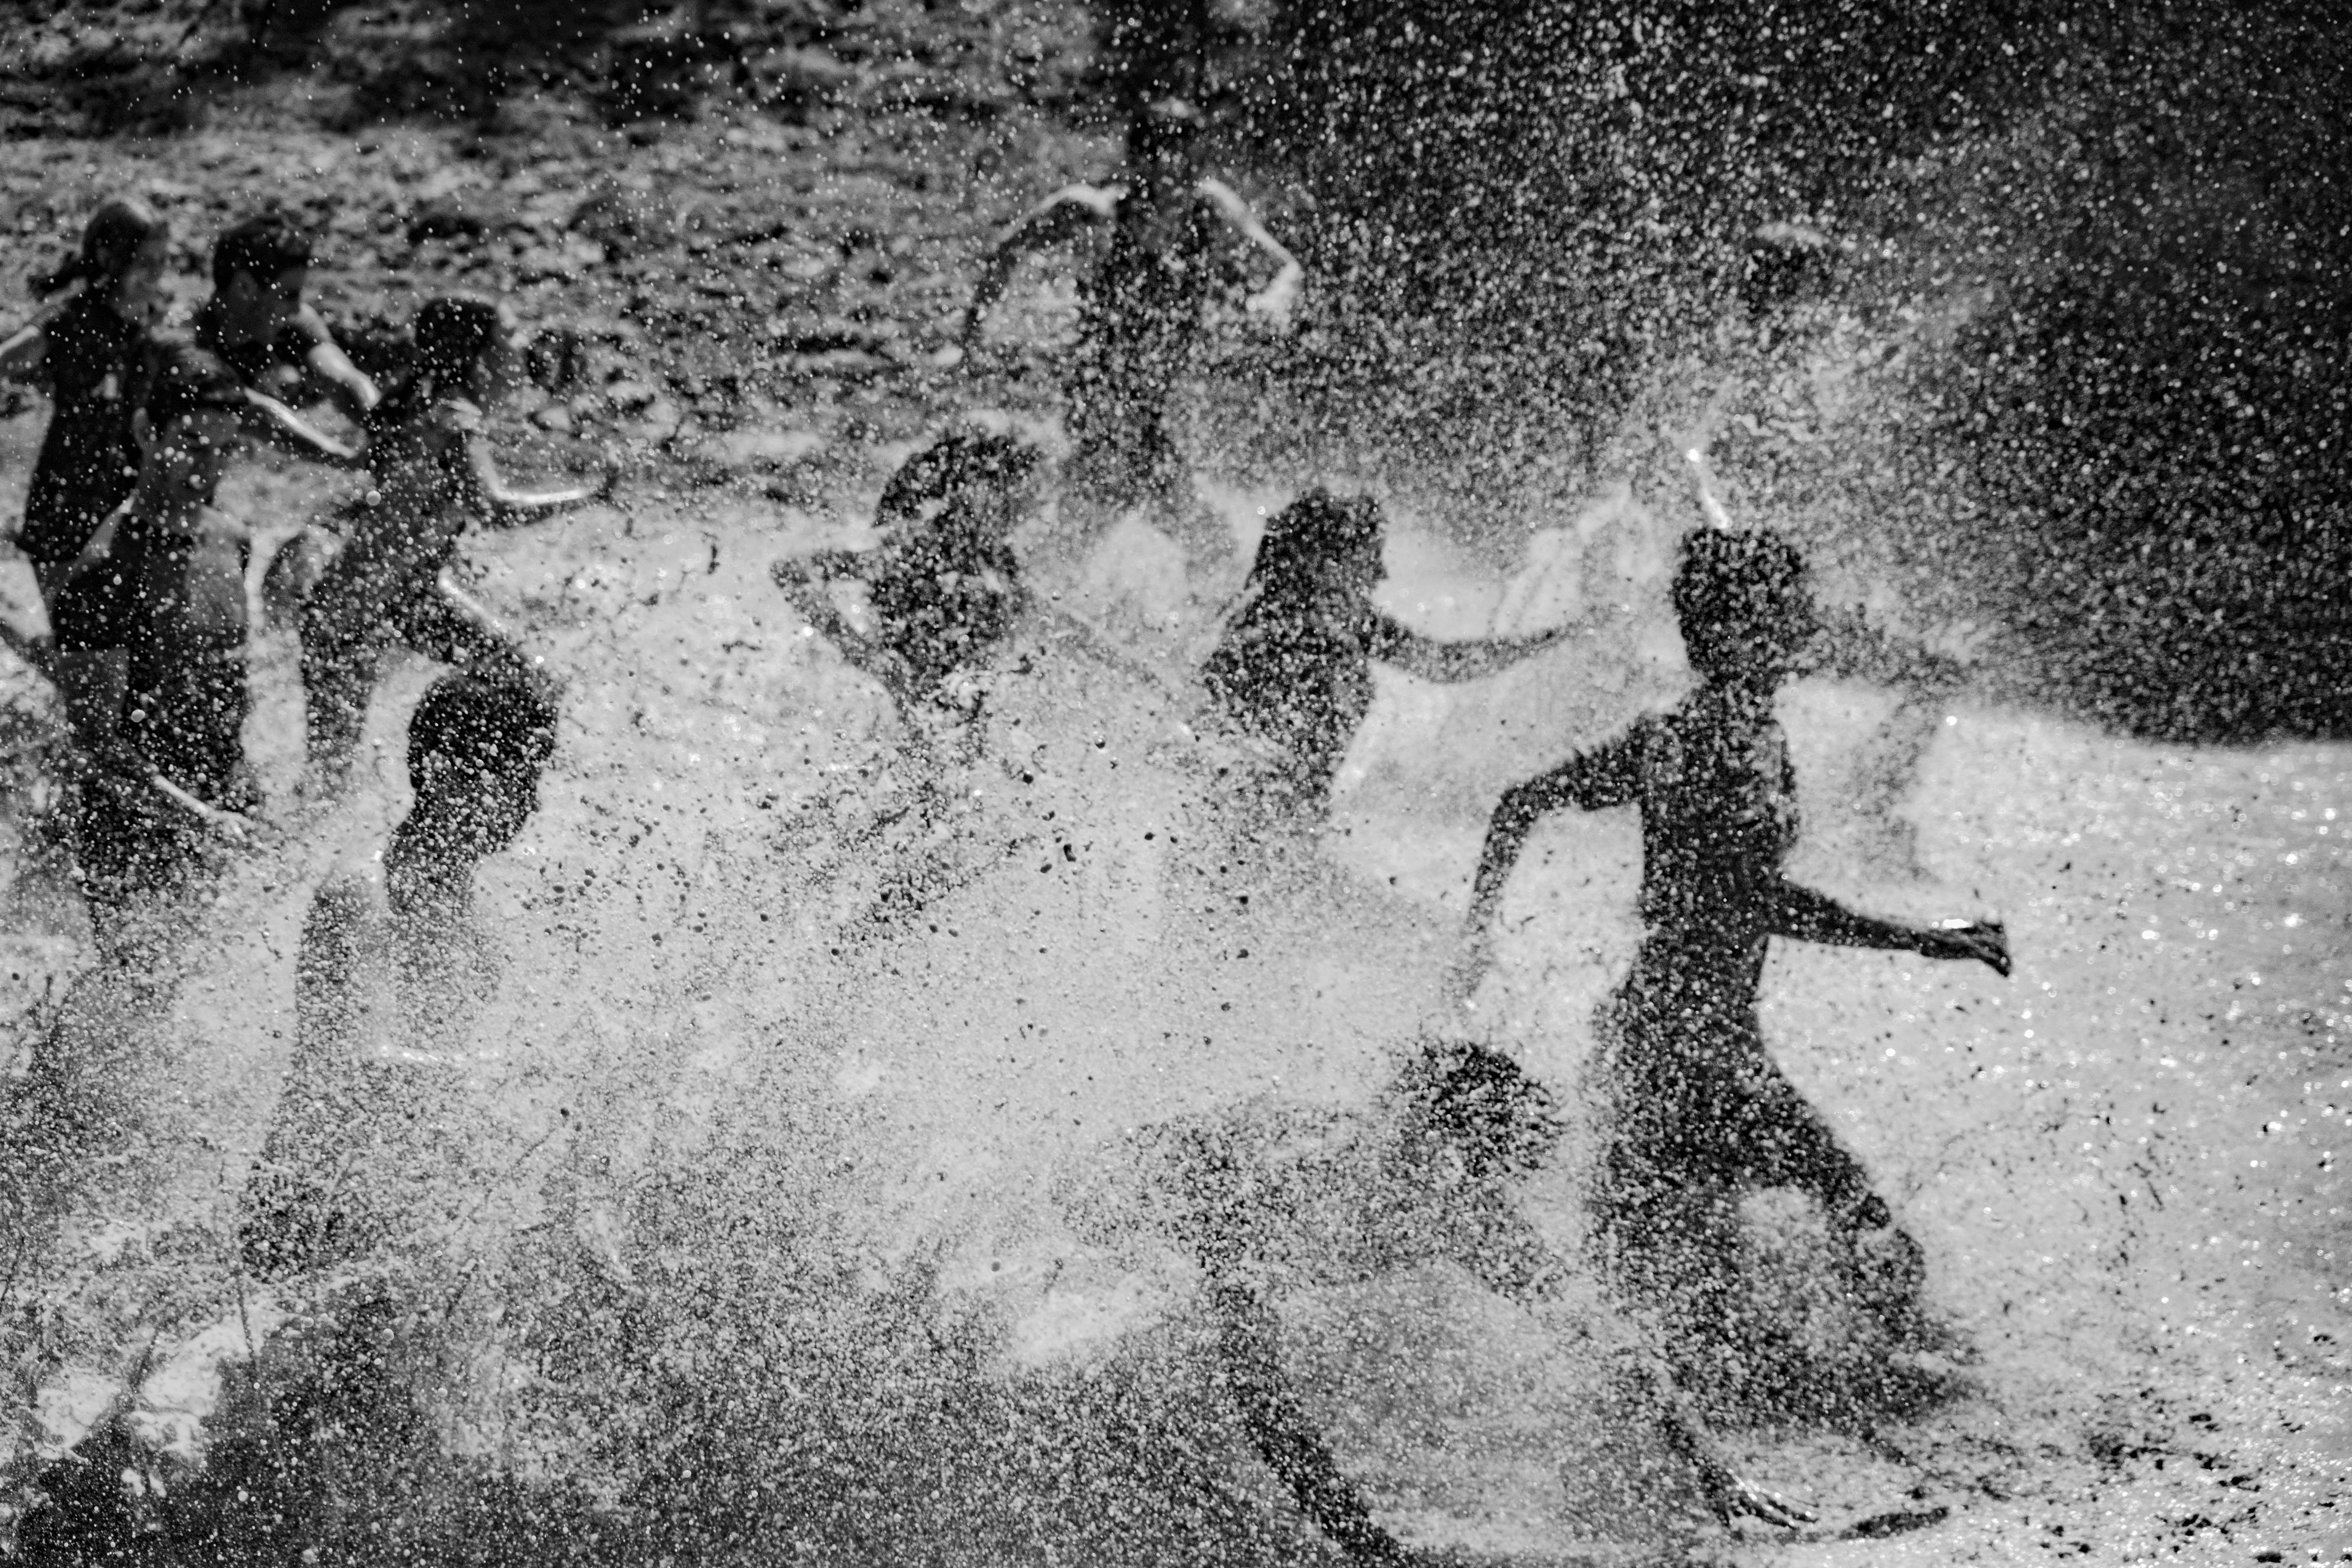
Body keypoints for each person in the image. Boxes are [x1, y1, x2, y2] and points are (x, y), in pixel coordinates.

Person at [1450, 529, 2011, 1380]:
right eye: (1789, 607)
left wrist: (1478, 932)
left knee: (1678, 1312)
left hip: (1656, 1042)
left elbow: (1521, 800)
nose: (1807, 619)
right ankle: (1894, 1412)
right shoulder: (1722, 744)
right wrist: (1921, 939)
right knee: (1864, 1234)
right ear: (1747, 629)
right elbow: (1753, 897)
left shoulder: (1689, 731)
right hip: (1697, 1053)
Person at [1074, 1037, 1815, 1562]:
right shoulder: (1288, 1188)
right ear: (1412, 1126)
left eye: (1491, 1175)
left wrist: (1711, 1464)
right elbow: (1258, 1395)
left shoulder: (1465, 1210)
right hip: (1092, 1221)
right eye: (1458, 1163)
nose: (1477, 1190)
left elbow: (1602, 1334)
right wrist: (1364, 1544)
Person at [241, 672, 560, 1280]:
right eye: (518, 781)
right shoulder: (364, 893)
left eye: (534, 782)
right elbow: (365, 1061)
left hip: (391, 1202)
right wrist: (526, 1080)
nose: (531, 805)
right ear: (443, 771)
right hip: (308, 1208)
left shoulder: (471, 908)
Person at [958, 98, 1301, 561]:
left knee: (1101, 534)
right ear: (1136, 162)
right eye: (1156, 160)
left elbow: (1286, 269)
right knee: (1195, 540)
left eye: (1180, 162)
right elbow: (1008, 250)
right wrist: (975, 336)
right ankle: (1009, 582)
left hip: (1146, 414)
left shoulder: (1211, 211)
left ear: (1194, 166)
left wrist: (1273, 302)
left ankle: (1019, 578)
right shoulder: (1095, 214)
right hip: (1098, 406)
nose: (1169, 175)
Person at [299, 295, 605, 788]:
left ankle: (465, 786)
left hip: (403, 594)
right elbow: (492, 507)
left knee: (526, 679)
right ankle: (463, 792)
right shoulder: (454, 418)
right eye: (508, 337)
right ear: (478, 355)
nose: (520, 345)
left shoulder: (425, 401)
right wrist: (587, 495)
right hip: (350, 614)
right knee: (329, 781)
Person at [52, 344, 262, 944]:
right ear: (146, 431)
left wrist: (239, 786)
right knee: (134, 988)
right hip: (131, 826)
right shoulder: (101, 571)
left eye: (224, 450)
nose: (208, 469)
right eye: (193, 445)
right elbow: (95, 744)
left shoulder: (232, 540)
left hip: (221, 803)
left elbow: (226, 679)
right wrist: (197, 819)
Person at [1201, 488, 1575, 807]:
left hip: (1277, 826)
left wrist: (1556, 635)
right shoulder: (1279, 634)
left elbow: (1444, 665)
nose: (1381, 573)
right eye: (1369, 556)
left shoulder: (1337, 623)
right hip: (1254, 825)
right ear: (1325, 563)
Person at [0, 199, 170, 686]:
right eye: (146, 264)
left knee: (132, 657)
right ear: (109, 258)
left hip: (127, 499)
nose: (156, 276)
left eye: (163, 262)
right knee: (80, 658)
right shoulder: (68, 319)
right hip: (65, 499)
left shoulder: (152, 323)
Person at [770, 427, 1041, 715]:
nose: (1023, 510)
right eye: (1013, 494)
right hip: (914, 704)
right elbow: (791, 570)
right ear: (978, 492)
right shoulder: (913, 546)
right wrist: (866, 656)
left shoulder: (998, 560)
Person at [193, 210, 379, 429]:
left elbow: (344, 378)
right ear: (244, 287)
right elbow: (246, 408)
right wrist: (342, 457)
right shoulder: (191, 340)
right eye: (289, 295)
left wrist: (379, 420)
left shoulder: (296, 324)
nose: (297, 308)